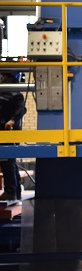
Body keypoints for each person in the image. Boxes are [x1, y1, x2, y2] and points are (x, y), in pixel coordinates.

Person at [0, 72, 27, 202]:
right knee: (10, 161)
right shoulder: (3, 93)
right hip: (3, 132)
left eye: (4, 75)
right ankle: (15, 191)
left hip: (9, 132)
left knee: (7, 162)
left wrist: (12, 121)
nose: (1, 78)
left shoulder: (16, 95)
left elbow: (21, 109)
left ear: (10, 78)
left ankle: (10, 191)